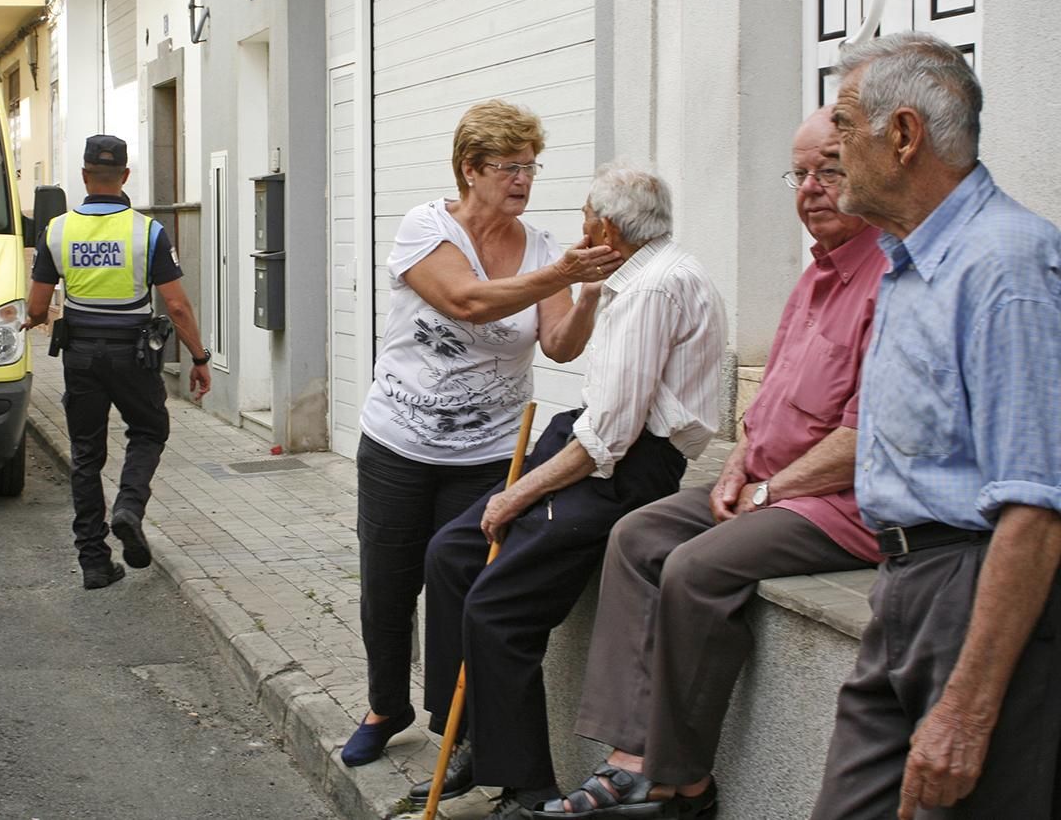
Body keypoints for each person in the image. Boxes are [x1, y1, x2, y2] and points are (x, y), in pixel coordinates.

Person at [535, 107, 887, 818]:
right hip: (769, 482)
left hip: (841, 504)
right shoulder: (813, 278)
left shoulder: (886, 279)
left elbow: (862, 438)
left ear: (871, 172)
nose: (812, 188)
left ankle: (683, 781)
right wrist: (737, 469)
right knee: (637, 534)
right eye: (801, 173)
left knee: (696, 566)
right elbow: (769, 408)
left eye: (831, 169)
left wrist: (767, 489)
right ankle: (630, 753)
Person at [421, 161, 726, 818]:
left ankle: (527, 783)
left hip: (625, 467)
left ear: (608, 229)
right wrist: (585, 287)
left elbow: (609, 440)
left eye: (587, 217)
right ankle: (470, 733)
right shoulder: (631, 276)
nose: (576, 229)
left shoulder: (655, 288)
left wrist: (515, 494)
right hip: (590, 443)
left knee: (497, 605)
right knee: (451, 552)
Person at [807, 32, 1061, 819]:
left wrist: (967, 708)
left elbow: (1036, 506)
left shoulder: (1006, 264)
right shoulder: (911, 258)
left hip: (975, 590)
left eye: (844, 125)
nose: (831, 147)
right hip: (905, 588)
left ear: (905, 135)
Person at [341, 100, 624, 768]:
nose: (523, 179)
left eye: (531, 165)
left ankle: (460, 729)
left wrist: (584, 293)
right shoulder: (425, 227)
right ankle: (386, 704)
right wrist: (560, 274)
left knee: (467, 583)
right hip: (399, 444)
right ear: (471, 169)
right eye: (508, 166)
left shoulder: (543, 248)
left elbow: (556, 343)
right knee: (388, 584)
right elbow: (465, 299)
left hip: (491, 452)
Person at [22, 134, 212, 590]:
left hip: (80, 355)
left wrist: (29, 321)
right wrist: (199, 358)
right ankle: (129, 506)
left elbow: (36, 306)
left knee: (86, 455)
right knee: (149, 430)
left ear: (84, 176)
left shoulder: (58, 230)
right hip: (133, 354)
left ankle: (93, 561)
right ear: (125, 176)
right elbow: (178, 307)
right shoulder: (147, 232)